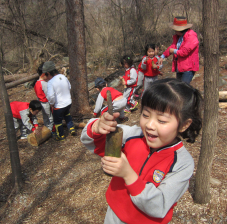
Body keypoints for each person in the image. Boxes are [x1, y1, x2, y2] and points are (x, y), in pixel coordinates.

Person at [80, 78, 203, 224]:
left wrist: (128, 175)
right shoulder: (132, 135)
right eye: (145, 115)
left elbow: (159, 206)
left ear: (184, 125)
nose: (150, 124)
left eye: (161, 120)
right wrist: (97, 127)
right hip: (114, 216)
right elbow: (93, 143)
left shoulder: (182, 163)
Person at [158, 16, 199, 84]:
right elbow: (172, 47)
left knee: (183, 88)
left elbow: (184, 52)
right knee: (179, 87)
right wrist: (163, 56)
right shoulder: (178, 37)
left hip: (188, 68)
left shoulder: (191, 37)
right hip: (179, 67)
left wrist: (174, 51)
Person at [43, 61, 76, 141]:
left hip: (59, 105)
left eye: (46, 75)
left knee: (57, 121)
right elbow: (69, 86)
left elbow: (51, 96)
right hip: (68, 102)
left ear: (48, 73)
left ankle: (60, 135)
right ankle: (71, 128)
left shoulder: (51, 82)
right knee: (67, 114)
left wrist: (52, 103)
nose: (46, 77)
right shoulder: (63, 76)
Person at [34, 63, 54, 132]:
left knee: (45, 117)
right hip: (45, 103)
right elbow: (48, 95)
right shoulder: (44, 84)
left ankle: (46, 128)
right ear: (43, 74)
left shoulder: (36, 83)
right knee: (50, 117)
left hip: (40, 102)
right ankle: (50, 130)